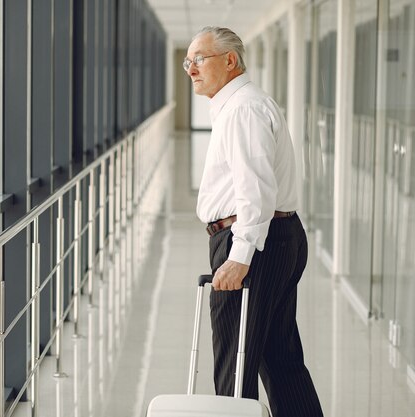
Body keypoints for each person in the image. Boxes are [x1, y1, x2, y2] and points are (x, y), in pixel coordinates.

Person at [185, 26, 324, 417]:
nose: (191, 69)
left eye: (199, 59)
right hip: (276, 238)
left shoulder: (243, 108)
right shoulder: (241, 104)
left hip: (252, 243)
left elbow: (255, 189)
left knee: (235, 363)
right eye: (187, 62)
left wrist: (240, 256)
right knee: (280, 361)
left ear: (230, 61)